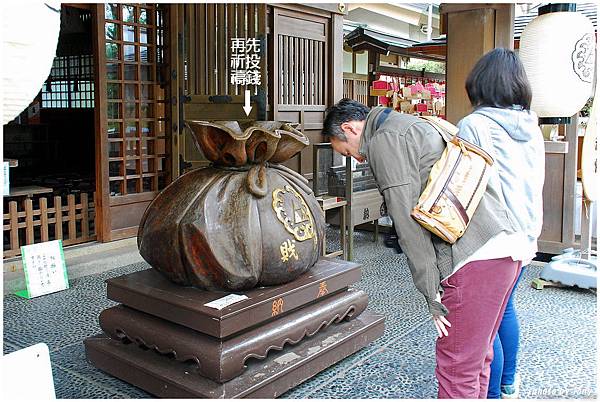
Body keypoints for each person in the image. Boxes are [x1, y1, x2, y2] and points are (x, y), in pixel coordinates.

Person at [322, 48, 544, 399]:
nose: (356, 157)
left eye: (347, 150)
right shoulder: (412, 123)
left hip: (474, 256)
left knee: (456, 368)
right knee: (478, 358)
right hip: (506, 244)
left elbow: (407, 222)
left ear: (351, 128)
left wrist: (431, 294)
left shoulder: (383, 140)